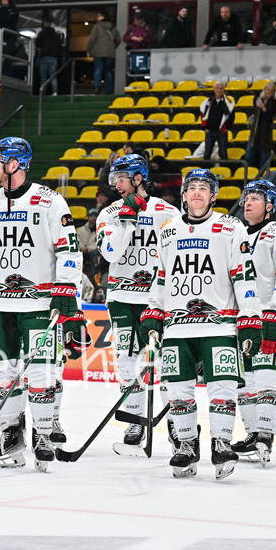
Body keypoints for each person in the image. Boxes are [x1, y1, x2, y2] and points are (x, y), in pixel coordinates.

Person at [0, 137, 83, 470]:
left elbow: (69, 250)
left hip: (39, 304)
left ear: (15, 164)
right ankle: (10, 435)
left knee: (41, 373)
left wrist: (66, 291)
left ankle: (43, 434)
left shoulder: (50, 202)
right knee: (1, 373)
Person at [138, 169, 258, 479]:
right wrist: (153, 309)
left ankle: (221, 441)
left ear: (214, 195)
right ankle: (187, 444)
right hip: (178, 326)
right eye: (192, 187)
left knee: (223, 387)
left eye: (204, 188)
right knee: (179, 389)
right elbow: (160, 276)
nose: (197, 193)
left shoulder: (231, 228)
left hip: (220, 324)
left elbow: (243, 276)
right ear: (184, 194)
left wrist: (250, 316)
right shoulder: (167, 229)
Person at [95, 154, 180, 455]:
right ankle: (135, 420)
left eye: (122, 178)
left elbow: (176, 258)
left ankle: (177, 424)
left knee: (167, 362)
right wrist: (127, 220)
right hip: (121, 295)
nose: (116, 185)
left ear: (139, 177)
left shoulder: (168, 212)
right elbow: (111, 254)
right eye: (114, 179)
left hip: (156, 298)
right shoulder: (110, 213)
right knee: (127, 361)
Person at [223, 180, 276, 465]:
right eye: (246, 198)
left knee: (268, 375)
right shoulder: (236, 234)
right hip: (243, 319)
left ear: (270, 206)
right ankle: (253, 432)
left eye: (256, 198)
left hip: (270, 317)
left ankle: (266, 434)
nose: (248, 202)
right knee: (244, 381)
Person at [243, 81, 276, 169]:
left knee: (265, 151)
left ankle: (263, 170)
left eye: (271, 91)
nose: (269, 92)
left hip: (266, 129)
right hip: (256, 128)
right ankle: (249, 170)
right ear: (264, 90)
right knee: (250, 149)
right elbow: (254, 109)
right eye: (268, 90)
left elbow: (269, 116)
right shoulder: (257, 99)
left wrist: (263, 108)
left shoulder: (273, 102)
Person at [87, 11, 121, 95]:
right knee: (108, 70)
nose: (97, 18)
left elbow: (92, 39)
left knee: (98, 68)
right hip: (110, 53)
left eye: (98, 16)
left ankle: (97, 86)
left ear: (103, 17)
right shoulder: (113, 27)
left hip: (98, 52)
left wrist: (88, 50)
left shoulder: (97, 27)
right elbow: (119, 39)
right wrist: (113, 47)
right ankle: (109, 90)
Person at [200, 80, 234, 160]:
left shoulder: (228, 103)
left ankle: (225, 171)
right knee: (207, 153)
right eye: (217, 88)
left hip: (222, 131)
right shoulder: (208, 102)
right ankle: (205, 171)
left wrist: (226, 128)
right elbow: (202, 113)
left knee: (223, 153)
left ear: (223, 90)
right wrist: (204, 128)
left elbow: (232, 117)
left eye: (221, 88)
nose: (219, 90)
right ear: (214, 89)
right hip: (210, 131)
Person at [35, 17, 64, 95]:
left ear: (44, 23)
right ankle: (55, 92)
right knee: (53, 76)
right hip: (54, 58)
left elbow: (37, 44)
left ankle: (42, 92)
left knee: (43, 77)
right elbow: (61, 45)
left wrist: (40, 52)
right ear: (51, 24)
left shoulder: (41, 33)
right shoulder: (56, 35)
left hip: (44, 57)